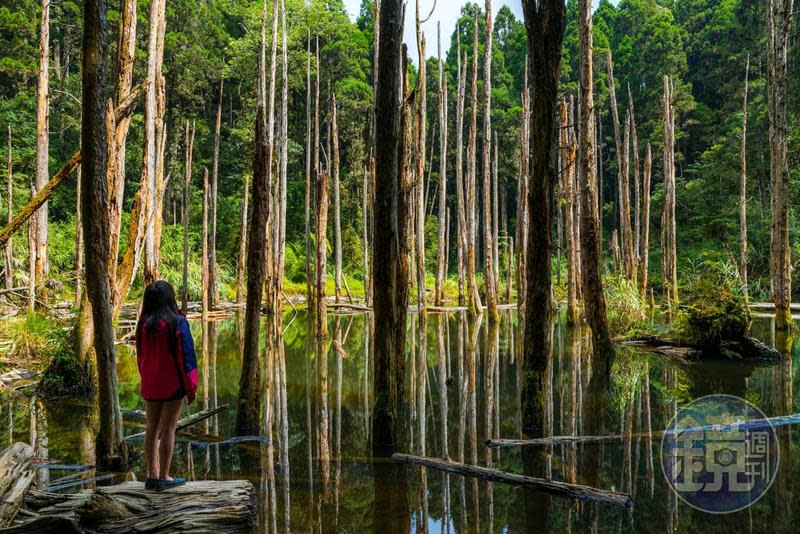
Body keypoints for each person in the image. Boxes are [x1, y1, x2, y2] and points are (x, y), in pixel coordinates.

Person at [135, 280, 198, 491]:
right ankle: (164, 477)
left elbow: (141, 357)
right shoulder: (177, 322)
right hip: (173, 384)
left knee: (151, 429)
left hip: (151, 384)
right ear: (169, 298)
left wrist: (144, 379)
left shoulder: (144, 324)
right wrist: (191, 386)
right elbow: (187, 357)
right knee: (169, 428)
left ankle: (152, 475)